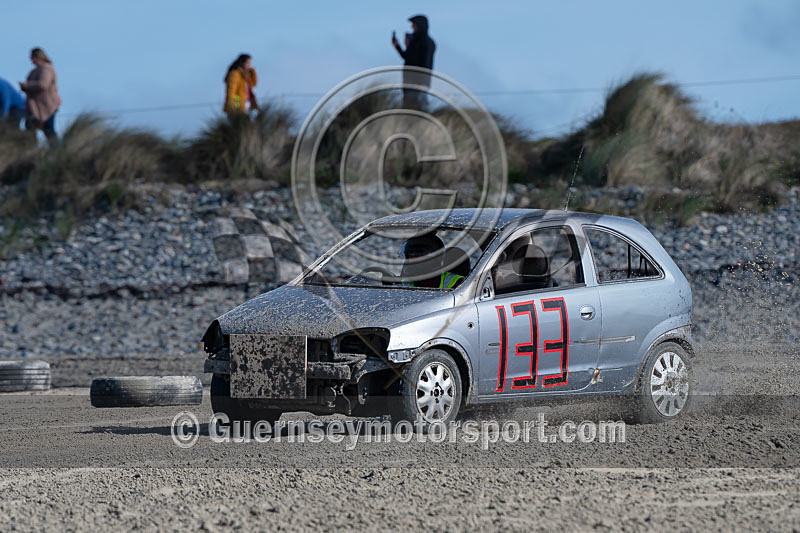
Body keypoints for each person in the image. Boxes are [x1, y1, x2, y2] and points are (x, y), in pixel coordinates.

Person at [391, 14, 436, 109]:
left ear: (420, 25)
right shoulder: (414, 41)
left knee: (421, 108)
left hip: (419, 83)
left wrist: (422, 82)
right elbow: (407, 57)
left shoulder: (427, 42)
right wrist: (397, 46)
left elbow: (426, 63)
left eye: (414, 25)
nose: (412, 27)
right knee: (408, 109)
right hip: (408, 81)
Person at [19, 47, 61, 141]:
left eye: (32, 57)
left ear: (38, 57)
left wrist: (27, 86)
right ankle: (32, 148)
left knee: (49, 130)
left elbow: (43, 85)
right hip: (35, 108)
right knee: (30, 128)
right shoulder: (35, 71)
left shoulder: (46, 69)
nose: (31, 60)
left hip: (47, 106)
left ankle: (57, 149)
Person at [399, 233, 464, 289]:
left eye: (417, 256)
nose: (412, 262)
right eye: (410, 257)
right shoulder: (404, 283)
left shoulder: (457, 283)